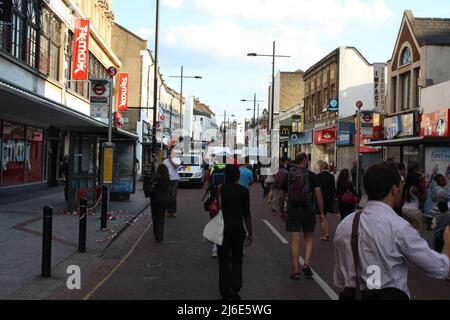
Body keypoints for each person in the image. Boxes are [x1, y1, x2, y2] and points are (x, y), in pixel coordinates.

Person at [334, 163, 450, 300]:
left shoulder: (346, 224)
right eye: (401, 183)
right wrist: (447, 243)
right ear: (394, 189)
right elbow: (438, 268)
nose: (403, 187)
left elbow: (340, 279)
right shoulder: (398, 227)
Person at [279, 153, 325, 281]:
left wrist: (282, 211)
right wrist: (321, 213)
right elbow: (318, 195)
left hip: (293, 209)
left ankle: (295, 271)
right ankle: (306, 263)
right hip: (308, 210)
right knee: (309, 237)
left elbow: (282, 195)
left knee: (294, 241)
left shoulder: (289, 175)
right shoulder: (311, 175)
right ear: (305, 161)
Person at [218, 165, 253, 300]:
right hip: (238, 228)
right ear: (238, 176)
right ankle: (235, 286)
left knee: (224, 260)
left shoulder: (220, 189)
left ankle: (225, 291)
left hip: (222, 229)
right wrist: (250, 233)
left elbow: (207, 206)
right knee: (237, 258)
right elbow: (246, 214)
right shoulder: (243, 191)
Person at [205, 161, 227, 258]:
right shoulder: (228, 168)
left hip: (214, 201)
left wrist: (210, 190)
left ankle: (214, 249)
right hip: (226, 200)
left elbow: (206, 184)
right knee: (224, 224)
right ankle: (224, 247)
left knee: (215, 223)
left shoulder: (212, 168)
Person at [150, 164, 170, 243]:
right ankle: (160, 236)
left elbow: (151, 187)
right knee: (161, 218)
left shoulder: (155, 178)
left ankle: (156, 234)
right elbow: (168, 189)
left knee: (155, 217)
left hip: (155, 199)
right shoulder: (167, 178)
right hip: (164, 199)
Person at [317, 162, 336, 241]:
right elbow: (333, 188)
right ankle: (327, 233)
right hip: (329, 198)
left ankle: (324, 235)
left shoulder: (318, 176)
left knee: (321, 216)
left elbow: (316, 189)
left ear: (321, 167)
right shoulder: (331, 176)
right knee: (325, 216)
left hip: (321, 198)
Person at [163, 148, 181, 218]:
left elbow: (176, 166)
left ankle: (173, 212)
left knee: (173, 196)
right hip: (168, 180)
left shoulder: (177, 160)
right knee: (168, 196)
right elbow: (163, 169)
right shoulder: (165, 161)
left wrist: (170, 160)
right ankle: (168, 211)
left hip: (175, 179)